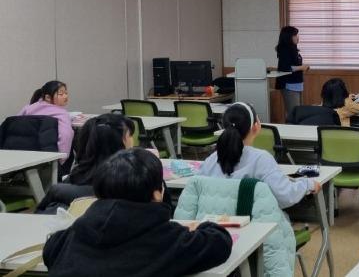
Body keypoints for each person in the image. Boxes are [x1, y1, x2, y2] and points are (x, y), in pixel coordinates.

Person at [43, 148, 232, 277]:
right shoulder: (166, 239)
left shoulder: (74, 234)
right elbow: (220, 242)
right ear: (157, 194)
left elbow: (50, 251)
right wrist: (201, 225)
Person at [199, 102, 320, 209]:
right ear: (256, 127)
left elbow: (197, 189)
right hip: (253, 222)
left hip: (213, 222)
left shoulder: (211, 160)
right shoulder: (261, 159)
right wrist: (308, 184)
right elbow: (285, 196)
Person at [67, 114, 135, 186]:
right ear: (117, 143)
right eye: (130, 135)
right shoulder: (131, 183)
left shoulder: (70, 181)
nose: (132, 140)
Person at [18, 80, 73, 160]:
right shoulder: (62, 113)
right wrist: (62, 159)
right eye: (61, 94)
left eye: (66, 93)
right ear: (48, 97)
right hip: (48, 158)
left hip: (23, 154)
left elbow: (15, 124)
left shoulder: (28, 108)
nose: (65, 96)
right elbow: (66, 135)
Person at [275, 26, 309, 120]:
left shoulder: (293, 48)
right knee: (293, 113)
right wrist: (302, 67)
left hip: (296, 84)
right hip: (289, 85)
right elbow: (285, 68)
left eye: (297, 35)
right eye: (295, 35)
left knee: (298, 112)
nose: (297, 37)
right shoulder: (284, 49)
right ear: (288, 37)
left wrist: (302, 67)